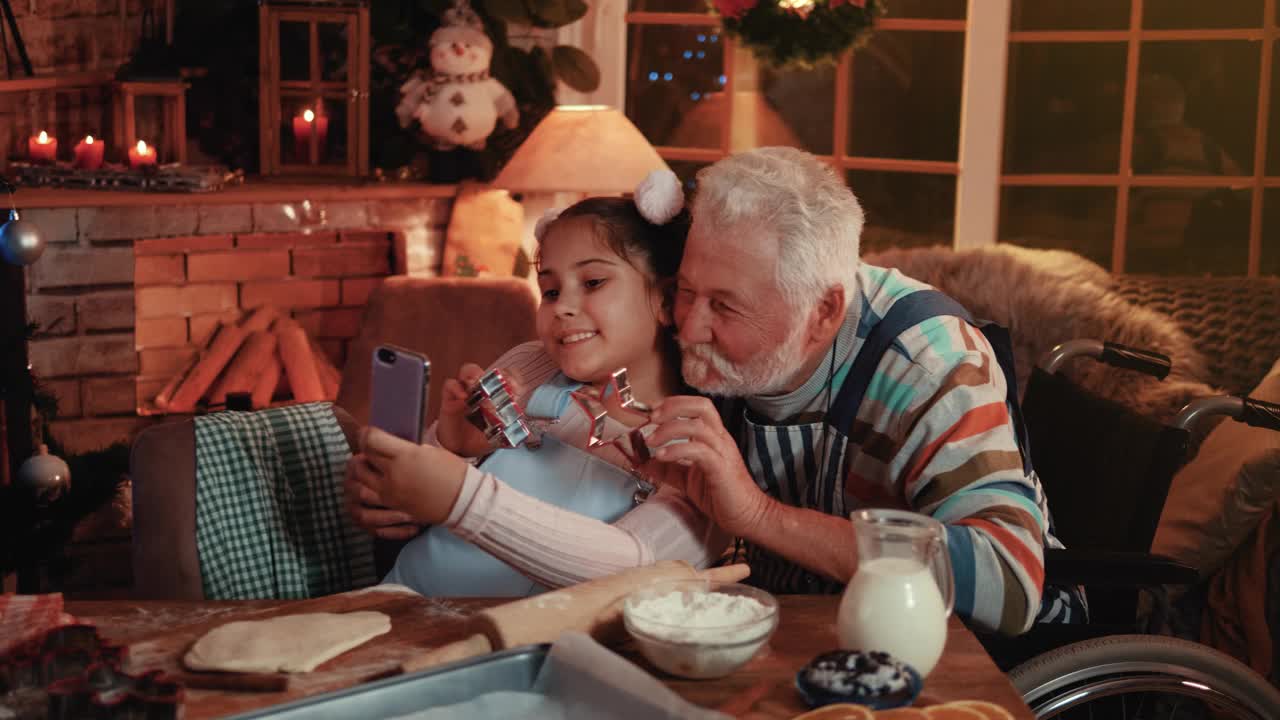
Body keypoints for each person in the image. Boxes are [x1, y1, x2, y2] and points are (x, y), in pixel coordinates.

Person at [639, 147, 1082, 636]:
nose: (689, 325)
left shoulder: (931, 363)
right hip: (821, 621)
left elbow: (1007, 584)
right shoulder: (737, 311)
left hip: (973, 647)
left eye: (724, 307)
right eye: (685, 291)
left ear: (824, 311)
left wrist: (759, 515)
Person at [345, 170, 728, 597]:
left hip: (510, 646)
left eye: (593, 282)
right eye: (549, 289)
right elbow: (418, 500)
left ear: (665, 299)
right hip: (395, 603)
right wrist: (453, 445)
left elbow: (633, 568)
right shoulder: (532, 365)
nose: (562, 307)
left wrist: (461, 496)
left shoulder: (692, 445)